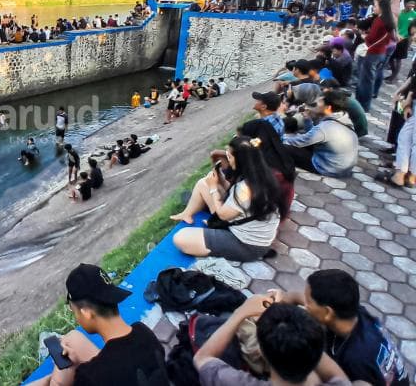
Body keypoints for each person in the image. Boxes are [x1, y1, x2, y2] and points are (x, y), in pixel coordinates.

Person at [27, 264, 169, 386]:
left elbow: (97, 374)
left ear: (86, 313)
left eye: (73, 310)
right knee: (73, 339)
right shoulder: (143, 332)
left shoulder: (91, 377)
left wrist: (57, 378)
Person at [270, 269, 409, 386]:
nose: (305, 304)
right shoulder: (354, 313)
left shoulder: (354, 359)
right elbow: (296, 296)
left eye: (308, 302)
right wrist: (281, 300)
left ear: (327, 312)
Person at [194, 297, 351, 386]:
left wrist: (240, 313)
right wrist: (304, 334)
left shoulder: (235, 382)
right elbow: (340, 379)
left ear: (261, 351)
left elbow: (202, 358)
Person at [171, 136, 282, 261]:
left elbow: (223, 215)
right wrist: (221, 180)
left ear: (240, 160)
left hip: (248, 244)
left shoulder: (244, 188)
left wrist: (214, 187)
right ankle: (187, 213)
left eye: (229, 156)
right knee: (203, 183)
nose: (228, 160)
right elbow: (239, 201)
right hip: (249, 226)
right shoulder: (262, 174)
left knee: (180, 238)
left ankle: (217, 241)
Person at [283, 92, 358, 177]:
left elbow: (299, 142)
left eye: (318, 103)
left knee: (283, 147)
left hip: (328, 168)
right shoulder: (343, 117)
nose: (315, 105)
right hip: (342, 167)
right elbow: (315, 136)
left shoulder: (326, 127)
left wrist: (278, 138)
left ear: (328, 108)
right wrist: (307, 118)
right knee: (298, 138)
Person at [356, 0, 397, 111]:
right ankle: (363, 103)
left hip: (372, 52)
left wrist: (365, 36)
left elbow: (372, 37)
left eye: (375, 6)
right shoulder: (388, 21)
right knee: (369, 78)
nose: (374, 8)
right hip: (381, 52)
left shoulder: (379, 21)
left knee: (366, 80)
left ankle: (363, 106)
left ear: (381, 8)